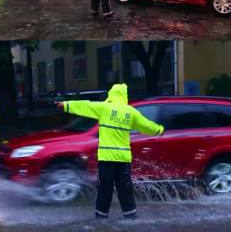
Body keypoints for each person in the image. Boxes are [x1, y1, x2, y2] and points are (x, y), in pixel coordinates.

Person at [56, 83, 164, 219]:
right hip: (123, 160)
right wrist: (158, 130)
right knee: (125, 189)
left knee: (104, 189)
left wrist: (65, 105)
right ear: (124, 96)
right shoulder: (130, 112)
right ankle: (130, 217)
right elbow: (146, 125)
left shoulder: (104, 108)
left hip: (107, 159)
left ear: (111, 94)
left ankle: (101, 217)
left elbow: (85, 105)